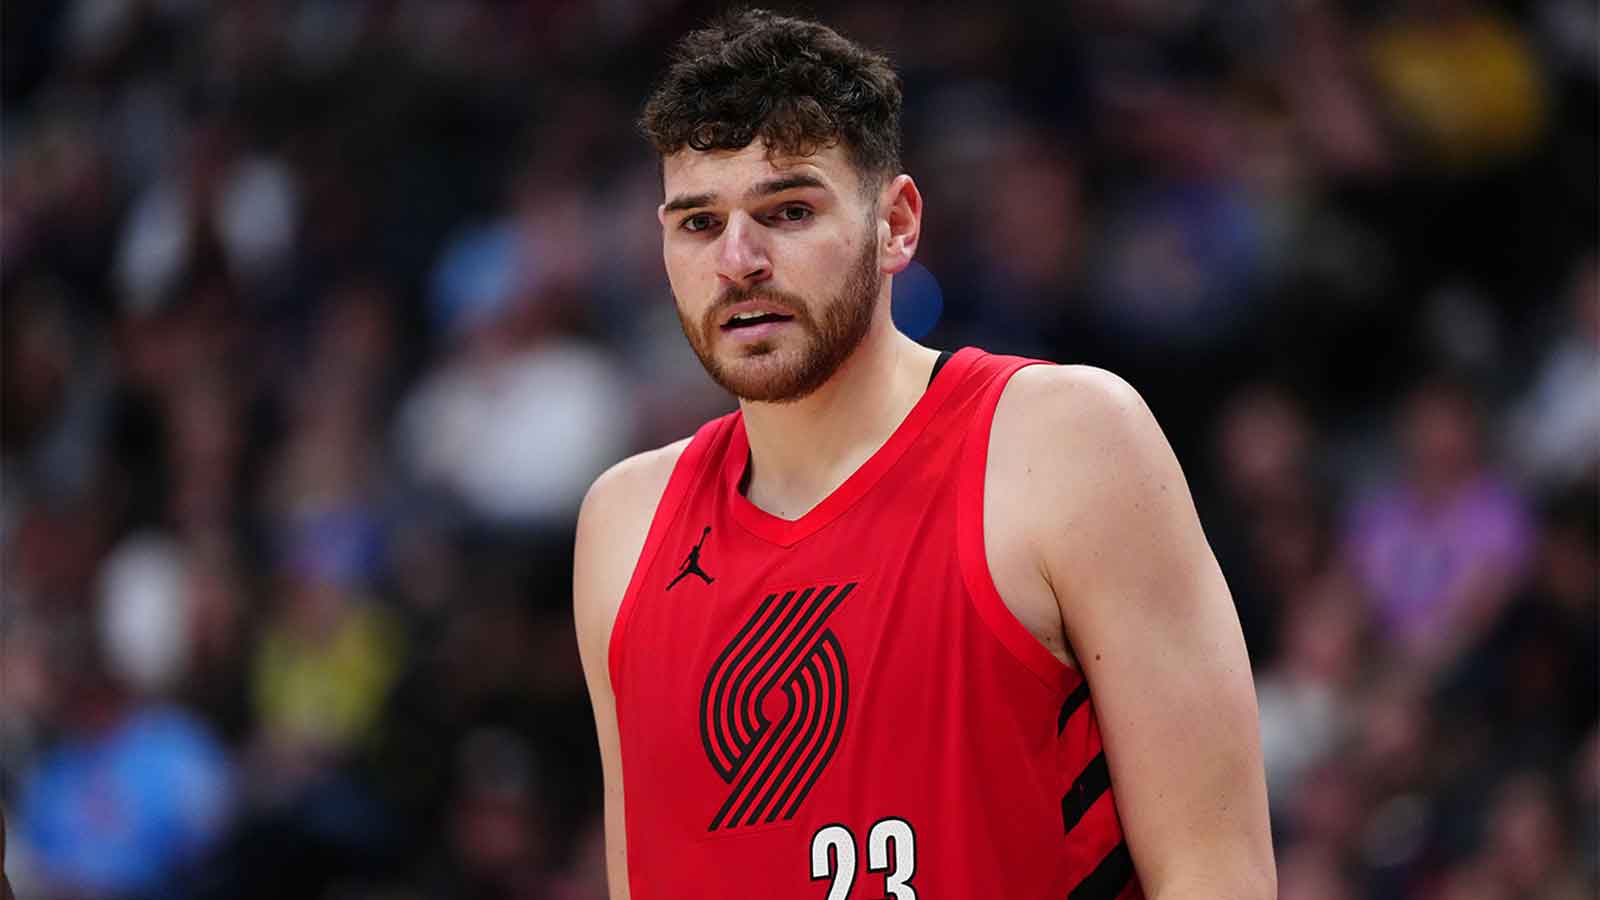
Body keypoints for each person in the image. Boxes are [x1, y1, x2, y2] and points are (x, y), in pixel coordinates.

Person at [573, 10, 1273, 899]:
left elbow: (1218, 876)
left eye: (788, 210)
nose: (739, 260)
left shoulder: (1063, 443)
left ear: (897, 224)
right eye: (699, 224)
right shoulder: (623, 526)